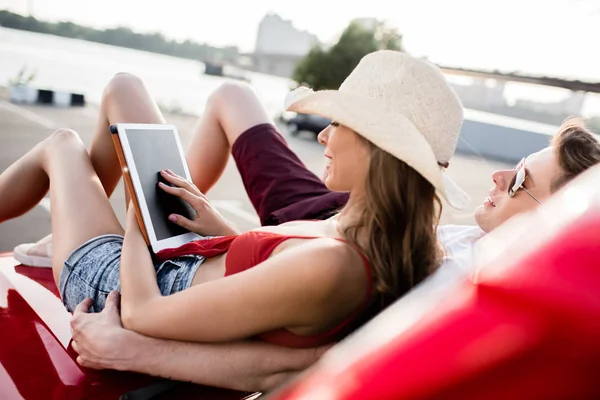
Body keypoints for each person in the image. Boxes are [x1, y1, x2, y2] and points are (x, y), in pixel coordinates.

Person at [0, 50, 470, 383]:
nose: (323, 136)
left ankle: (59, 244)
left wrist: (136, 210)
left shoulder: (335, 263)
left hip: (116, 286)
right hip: (181, 263)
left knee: (63, 144)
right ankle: (61, 235)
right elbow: (281, 281)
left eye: (338, 123)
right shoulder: (374, 239)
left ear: (376, 147)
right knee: (124, 90)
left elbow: (142, 313)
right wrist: (226, 233)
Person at [68, 113, 600, 391]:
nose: (500, 174)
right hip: (226, 282)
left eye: (522, 180)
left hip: (155, 309)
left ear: (557, 222)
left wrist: (131, 350)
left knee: (65, 150)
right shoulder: (465, 244)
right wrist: (236, 235)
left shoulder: (467, 291)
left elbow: (312, 365)